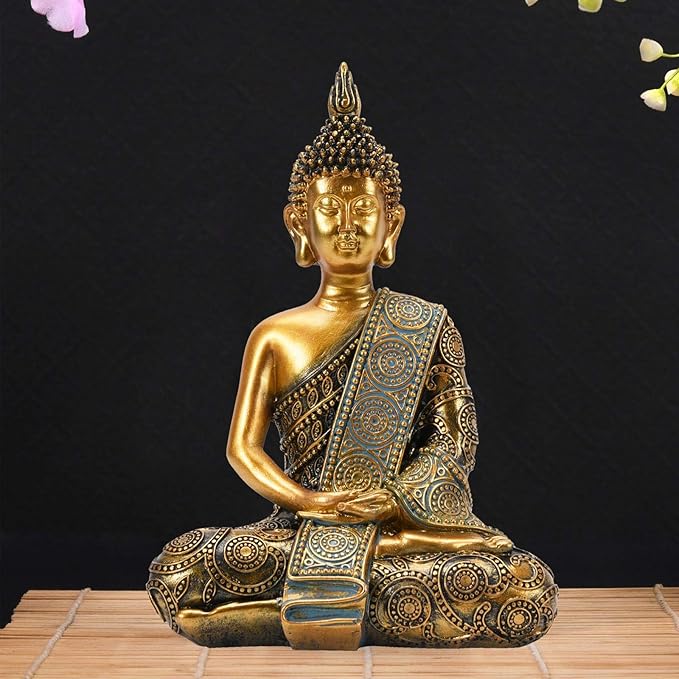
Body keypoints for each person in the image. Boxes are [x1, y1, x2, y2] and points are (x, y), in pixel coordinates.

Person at [147, 62, 557, 649]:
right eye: (329, 211)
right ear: (299, 225)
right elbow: (243, 449)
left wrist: (392, 503)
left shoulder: (424, 325)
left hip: (400, 528)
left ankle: (281, 614)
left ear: (392, 225)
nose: (347, 226)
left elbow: (455, 439)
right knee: (179, 568)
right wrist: (310, 501)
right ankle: (357, 610)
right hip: (299, 528)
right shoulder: (275, 335)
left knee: (523, 585)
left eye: (364, 210)